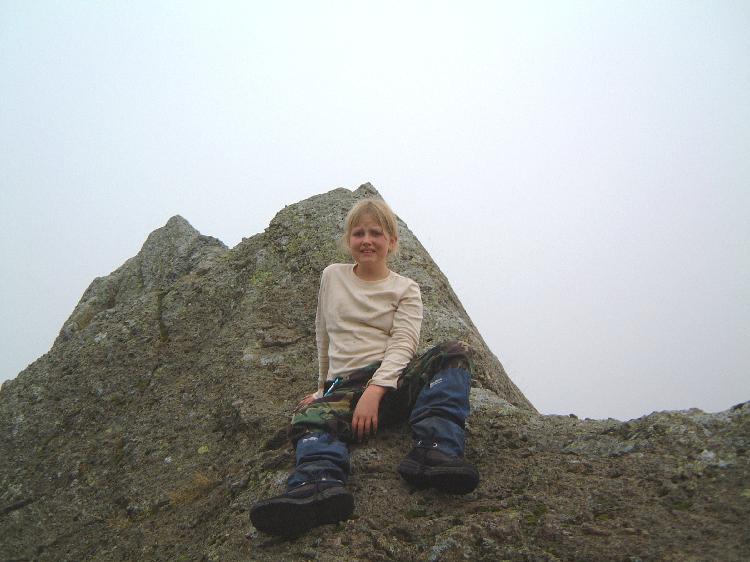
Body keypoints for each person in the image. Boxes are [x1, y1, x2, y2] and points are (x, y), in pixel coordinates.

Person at [250, 198, 479, 537]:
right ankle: (318, 485)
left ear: (392, 242)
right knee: (307, 417)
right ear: (348, 241)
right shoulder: (332, 276)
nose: (367, 240)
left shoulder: (406, 289)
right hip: (345, 389)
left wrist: (376, 389)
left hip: (392, 383)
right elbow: (323, 334)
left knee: (454, 352)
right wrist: (322, 389)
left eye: (376, 233)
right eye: (359, 233)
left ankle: (435, 451)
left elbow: (404, 343)